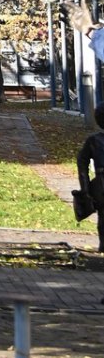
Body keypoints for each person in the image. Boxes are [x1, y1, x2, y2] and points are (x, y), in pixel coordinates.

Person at [77, 106, 104, 252]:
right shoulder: (93, 141)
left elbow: (82, 163)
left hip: (101, 184)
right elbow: (82, 162)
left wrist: (85, 188)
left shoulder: (93, 141)